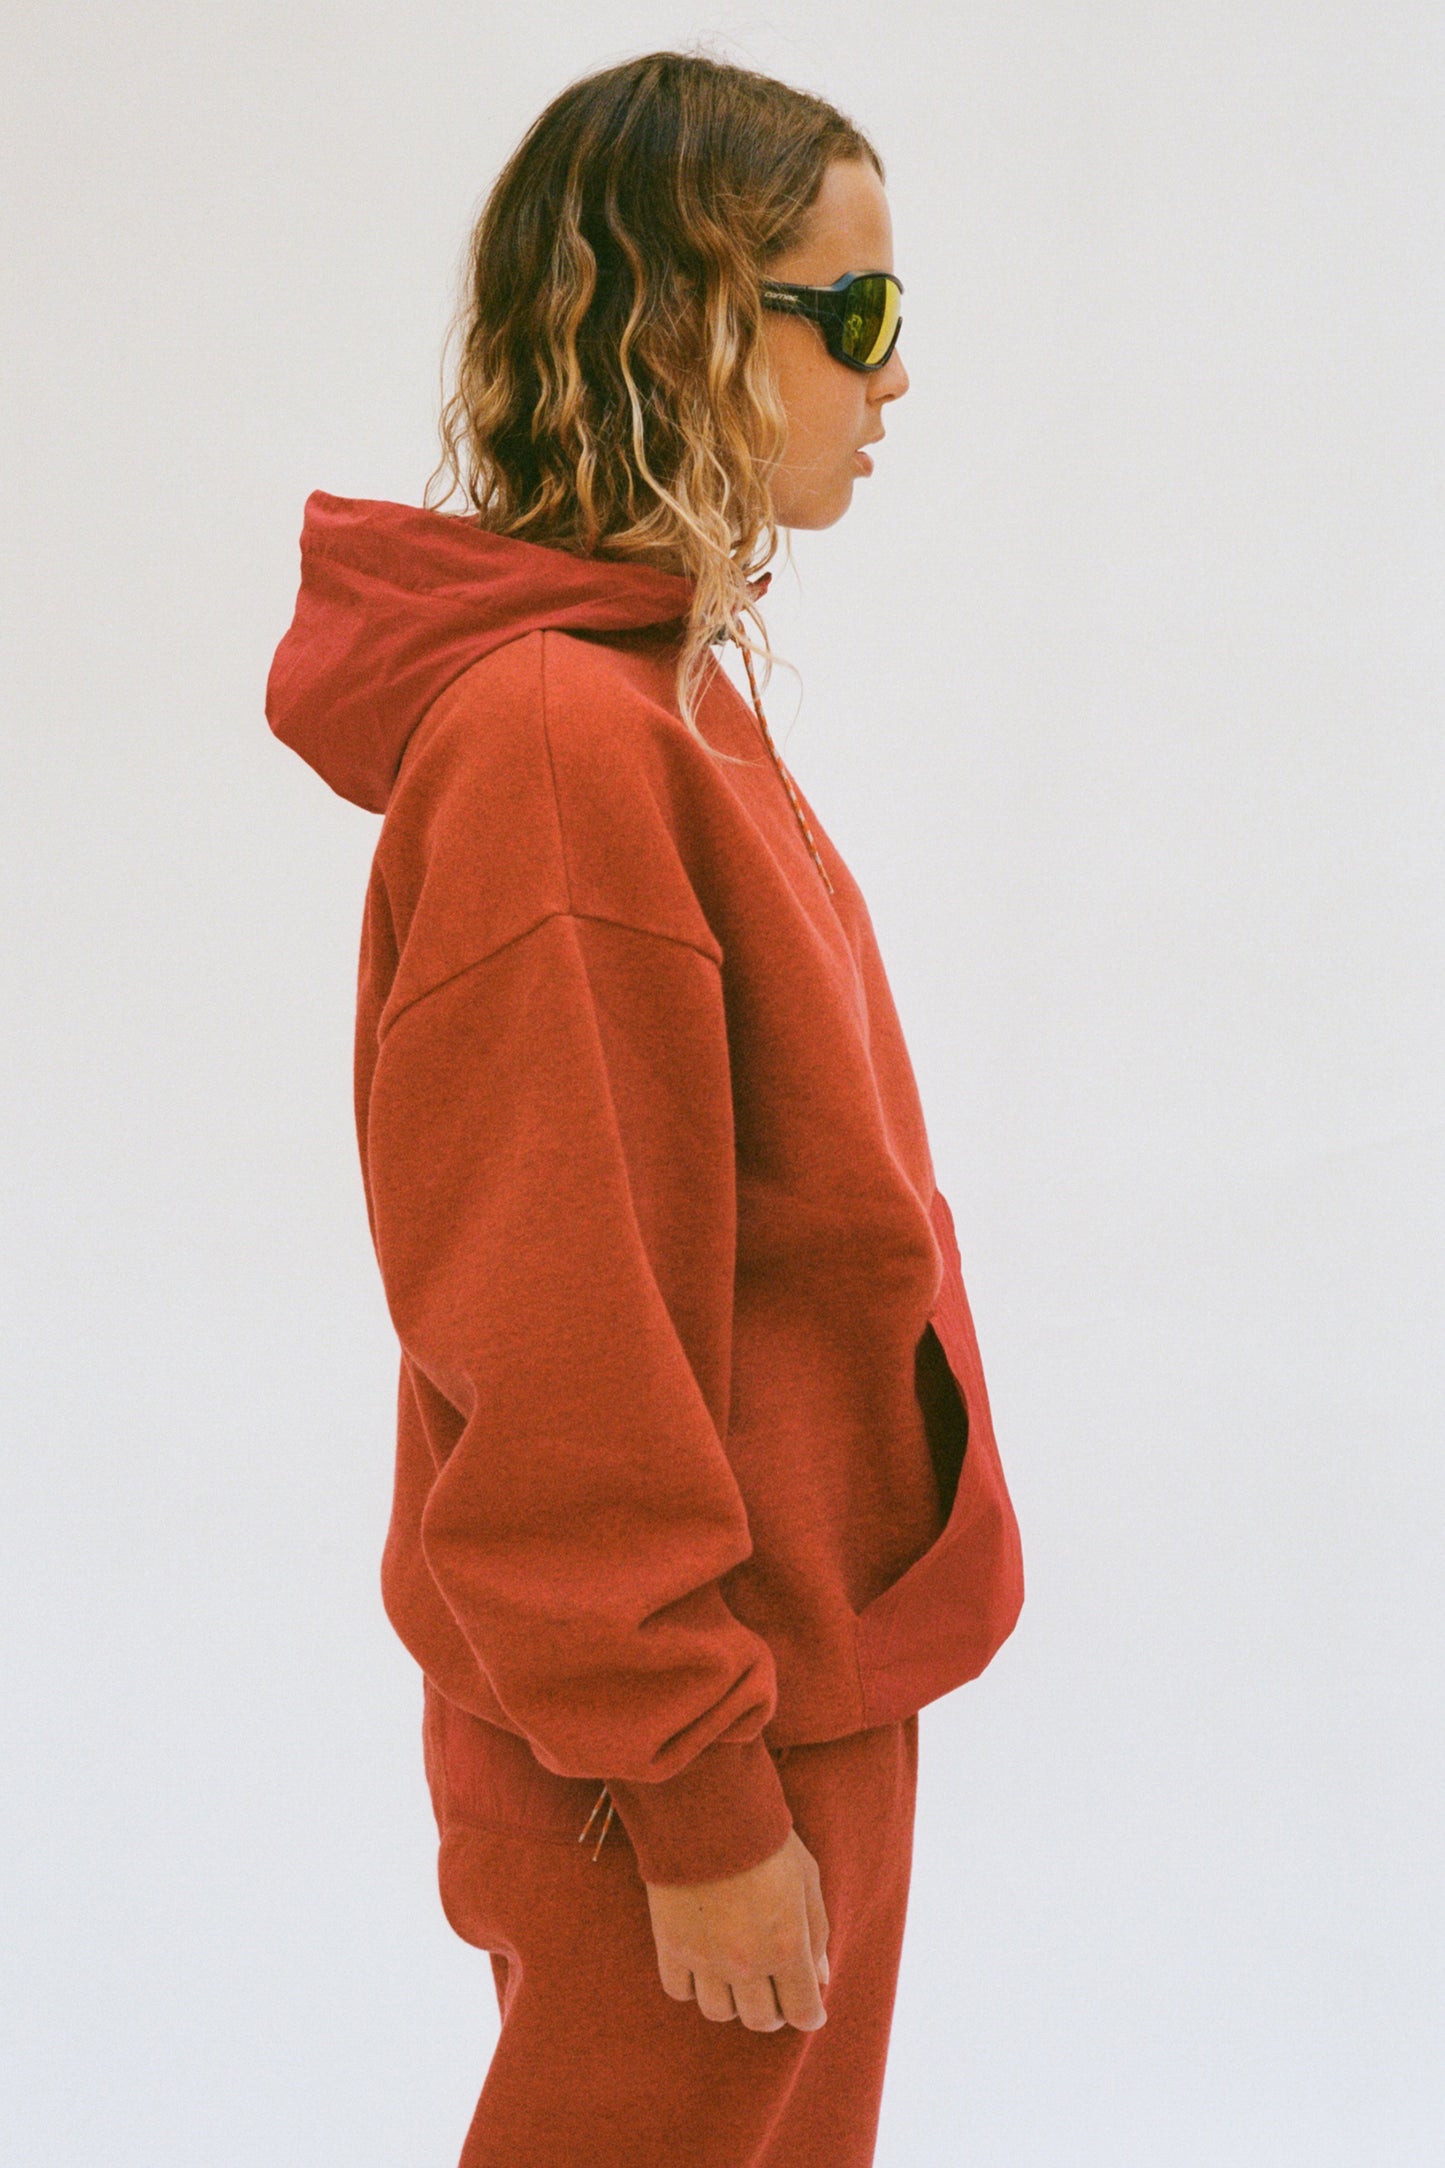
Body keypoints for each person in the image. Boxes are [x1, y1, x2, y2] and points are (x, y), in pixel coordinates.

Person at [266, 47, 1024, 2168]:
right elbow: (557, 1327)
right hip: (684, 1747)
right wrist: (692, 1789)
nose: (894, 374)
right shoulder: (556, 749)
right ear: (691, 318)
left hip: (772, 1689)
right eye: (853, 314)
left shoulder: (660, 702)